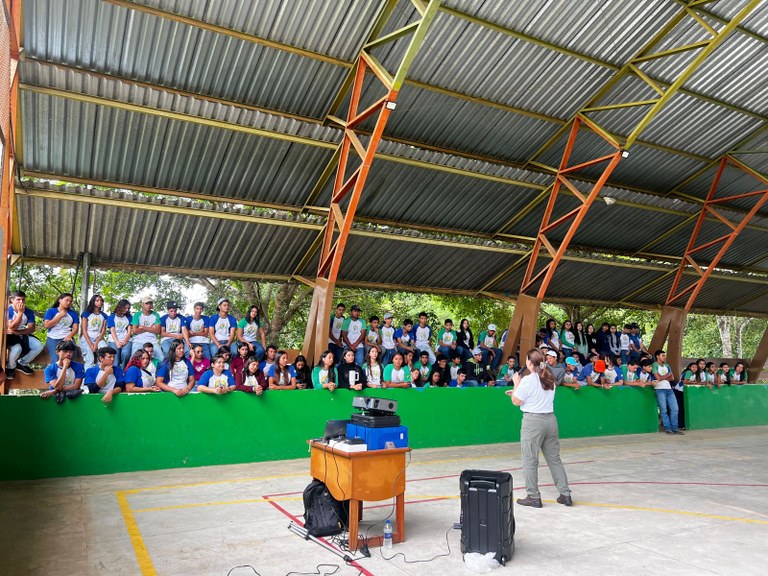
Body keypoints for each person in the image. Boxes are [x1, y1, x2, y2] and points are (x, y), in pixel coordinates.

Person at [508, 348, 573, 508]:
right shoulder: (549, 378)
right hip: (550, 420)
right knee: (554, 459)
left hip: (533, 422)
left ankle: (533, 496)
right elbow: (535, 397)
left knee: (530, 459)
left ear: (530, 362)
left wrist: (516, 384)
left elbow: (516, 402)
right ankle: (565, 494)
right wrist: (518, 391)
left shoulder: (528, 380)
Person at [6, 290, 44, 379]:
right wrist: (20, 313)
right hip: (10, 335)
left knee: (38, 346)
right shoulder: (8, 310)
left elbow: (31, 328)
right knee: (17, 349)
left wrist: (18, 332)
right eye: (18, 300)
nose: (21, 302)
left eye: (23, 300)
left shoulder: (29, 312)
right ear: (12, 300)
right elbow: (11, 327)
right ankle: (11, 367)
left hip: (22, 333)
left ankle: (22, 363)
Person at [652, 349, 682, 435]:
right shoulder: (654, 365)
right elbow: (658, 378)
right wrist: (666, 375)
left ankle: (675, 428)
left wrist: (663, 377)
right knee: (663, 409)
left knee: (675, 408)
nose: (664, 357)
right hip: (659, 389)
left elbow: (672, 378)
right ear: (657, 356)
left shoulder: (667, 365)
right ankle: (668, 428)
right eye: (662, 355)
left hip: (669, 389)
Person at [43, 293, 80, 361]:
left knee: (71, 356)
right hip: (53, 337)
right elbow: (47, 325)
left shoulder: (73, 313)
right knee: (56, 358)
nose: (68, 302)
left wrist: (70, 336)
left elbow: (76, 328)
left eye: (70, 301)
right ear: (60, 300)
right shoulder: (51, 311)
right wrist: (60, 316)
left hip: (67, 336)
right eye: (67, 300)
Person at [78, 294, 108, 369]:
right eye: (97, 300)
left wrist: (96, 343)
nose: (100, 302)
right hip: (86, 338)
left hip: (98, 338)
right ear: (93, 302)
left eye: (101, 300)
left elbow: (103, 330)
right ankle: (88, 379)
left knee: (105, 351)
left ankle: (99, 373)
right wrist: (91, 345)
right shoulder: (86, 314)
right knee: (90, 359)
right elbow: (84, 330)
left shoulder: (104, 315)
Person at [130, 297, 162, 361]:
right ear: (142, 304)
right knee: (134, 358)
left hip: (152, 340)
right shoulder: (137, 315)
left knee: (161, 358)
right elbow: (135, 331)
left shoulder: (156, 315)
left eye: (150, 303)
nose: (149, 305)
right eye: (146, 303)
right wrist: (151, 328)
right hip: (139, 340)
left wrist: (143, 327)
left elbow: (158, 331)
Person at [107, 299, 133, 368]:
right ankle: (116, 374)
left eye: (128, 308)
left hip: (126, 339)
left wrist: (125, 341)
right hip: (114, 339)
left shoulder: (129, 317)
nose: (127, 310)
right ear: (120, 307)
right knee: (115, 358)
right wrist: (117, 343)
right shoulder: (112, 317)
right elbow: (112, 330)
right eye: (125, 308)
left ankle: (123, 370)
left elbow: (129, 331)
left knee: (126, 354)